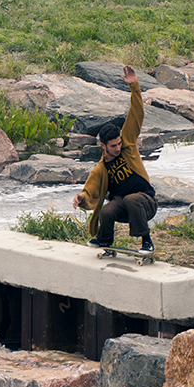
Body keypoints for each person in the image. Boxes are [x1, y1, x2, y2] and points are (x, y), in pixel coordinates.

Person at [72, 65, 157, 254]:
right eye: (113, 146)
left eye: (118, 143)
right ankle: (104, 241)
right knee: (106, 211)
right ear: (103, 146)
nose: (118, 148)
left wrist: (135, 87)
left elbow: (136, 114)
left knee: (132, 199)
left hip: (145, 202)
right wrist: (81, 198)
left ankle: (147, 242)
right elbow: (90, 191)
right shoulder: (101, 169)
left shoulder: (128, 146)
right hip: (125, 207)